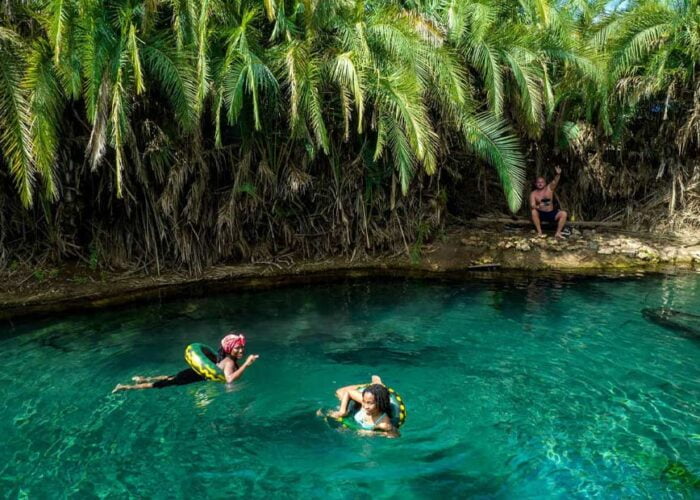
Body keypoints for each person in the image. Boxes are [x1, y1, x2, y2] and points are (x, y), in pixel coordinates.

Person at [112, 333, 259, 392]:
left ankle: (143, 378)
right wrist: (247, 364)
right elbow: (229, 380)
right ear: (229, 349)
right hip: (195, 377)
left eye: (242, 348)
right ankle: (125, 387)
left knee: (170, 377)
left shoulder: (224, 358)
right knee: (161, 385)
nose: (241, 351)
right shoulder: (229, 363)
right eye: (238, 348)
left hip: (194, 373)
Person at [325, 375, 398, 437]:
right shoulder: (366, 401)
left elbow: (395, 436)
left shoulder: (383, 423)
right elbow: (349, 392)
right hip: (360, 405)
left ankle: (377, 384)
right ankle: (374, 384)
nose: (365, 406)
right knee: (339, 392)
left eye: (370, 403)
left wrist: (373, 433)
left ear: (380, 403)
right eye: (364, 401)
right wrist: (342, 412)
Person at [529, 166, 568, 239]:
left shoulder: (549, 188)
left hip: (551, 213)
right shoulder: (533, 193)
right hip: (541, 214)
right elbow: (532, 205)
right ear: (536, 184)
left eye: (542, 182)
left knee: (564, 214)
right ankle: (539, 232)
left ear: (545, 183)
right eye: (538, 182)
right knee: (533, 211)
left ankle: (558, 233)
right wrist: (539, 206)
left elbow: (555, 181)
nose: (540, 184)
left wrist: (558, 174)